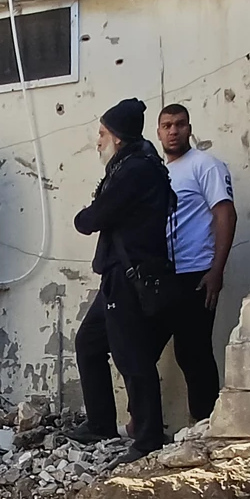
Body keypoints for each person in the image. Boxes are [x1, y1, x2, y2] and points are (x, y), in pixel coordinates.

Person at [68, 98, 176, 465]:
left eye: (102, 133)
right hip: (120, 273)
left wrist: (84, 215)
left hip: (130, 275)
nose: (98, 140)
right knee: (90, 343)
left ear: (117, 137)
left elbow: (94, 217)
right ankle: (100, 422)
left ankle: (148, 438)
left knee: (132, 357)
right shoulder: (136, 165)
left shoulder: (135, 171)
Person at [158, 103, 236, 422]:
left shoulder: (205, 165)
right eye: (167, 125)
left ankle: (205, 425)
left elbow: (225, 214)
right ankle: (144, 425)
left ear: (190, 128)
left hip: (197, 274)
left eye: (180, 124)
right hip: (165, 275)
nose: (173, 131)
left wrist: (216, 270)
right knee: (143, 349)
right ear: (158, 131)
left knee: (194, 353)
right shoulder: (161, 172)